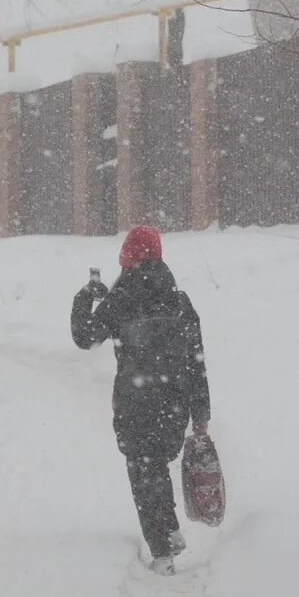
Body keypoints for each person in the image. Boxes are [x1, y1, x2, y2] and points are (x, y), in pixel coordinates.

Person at [71, 225, 211, 573]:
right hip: (174, 404)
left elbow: (85, 337)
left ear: (128, 256)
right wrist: (200, 413)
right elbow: (197, 361)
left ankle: (162, 551)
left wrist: (86, 297)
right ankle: (170, 530)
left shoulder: (121, 299)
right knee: (157, 466)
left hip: (136, 402)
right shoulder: (180, 301)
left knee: (143, 473)